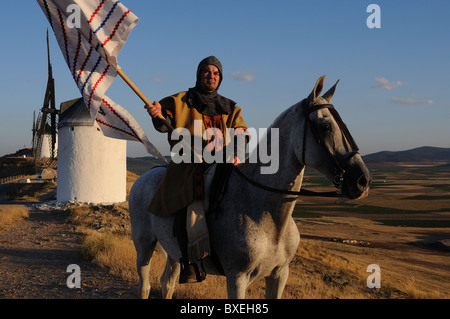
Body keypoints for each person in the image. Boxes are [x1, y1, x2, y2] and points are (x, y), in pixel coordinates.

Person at [145, 56, 249, 283]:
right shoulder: (181, 100)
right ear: (199, 74)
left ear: (220, 78)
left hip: (222, 162)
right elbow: (163, 120)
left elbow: (241, 131)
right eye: (206, 71)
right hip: (188, 162)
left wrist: (238, 152)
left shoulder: (230, 107)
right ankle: (189, 261)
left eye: (215, 73)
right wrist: (157, 113)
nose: (211, 76)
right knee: (190, 198)